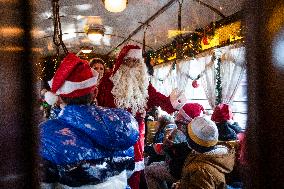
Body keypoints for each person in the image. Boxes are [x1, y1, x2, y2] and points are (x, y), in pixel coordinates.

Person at [39, 53, 139, 189]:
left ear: (60, 98)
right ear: (95, 93)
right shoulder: (124, 125)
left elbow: (43, 184)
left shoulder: (46, 134)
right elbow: (128, 172)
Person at [96, 44, 186, 189]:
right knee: (114, 174)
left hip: (137, 134)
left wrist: (171, 103)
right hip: (113, 135)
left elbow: (156, 98)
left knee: (135, 170)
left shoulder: (144, 82)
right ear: (122, 60)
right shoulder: (108, 80)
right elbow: (99, 106)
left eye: (136, 61)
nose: (132, 64)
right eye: (128, 60)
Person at [144, 103, 204, 189]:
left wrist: (163, 146)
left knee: (149, 170)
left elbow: (166, 150)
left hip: (179, 170)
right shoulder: (200, 132)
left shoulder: (179, 133)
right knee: (154, 165)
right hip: (192, 169)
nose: (178, 124)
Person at [172, 116, 236, 189]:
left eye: (188, 136)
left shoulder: (200, 171)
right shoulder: (222, 152)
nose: (186, 137)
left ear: (194, 142)